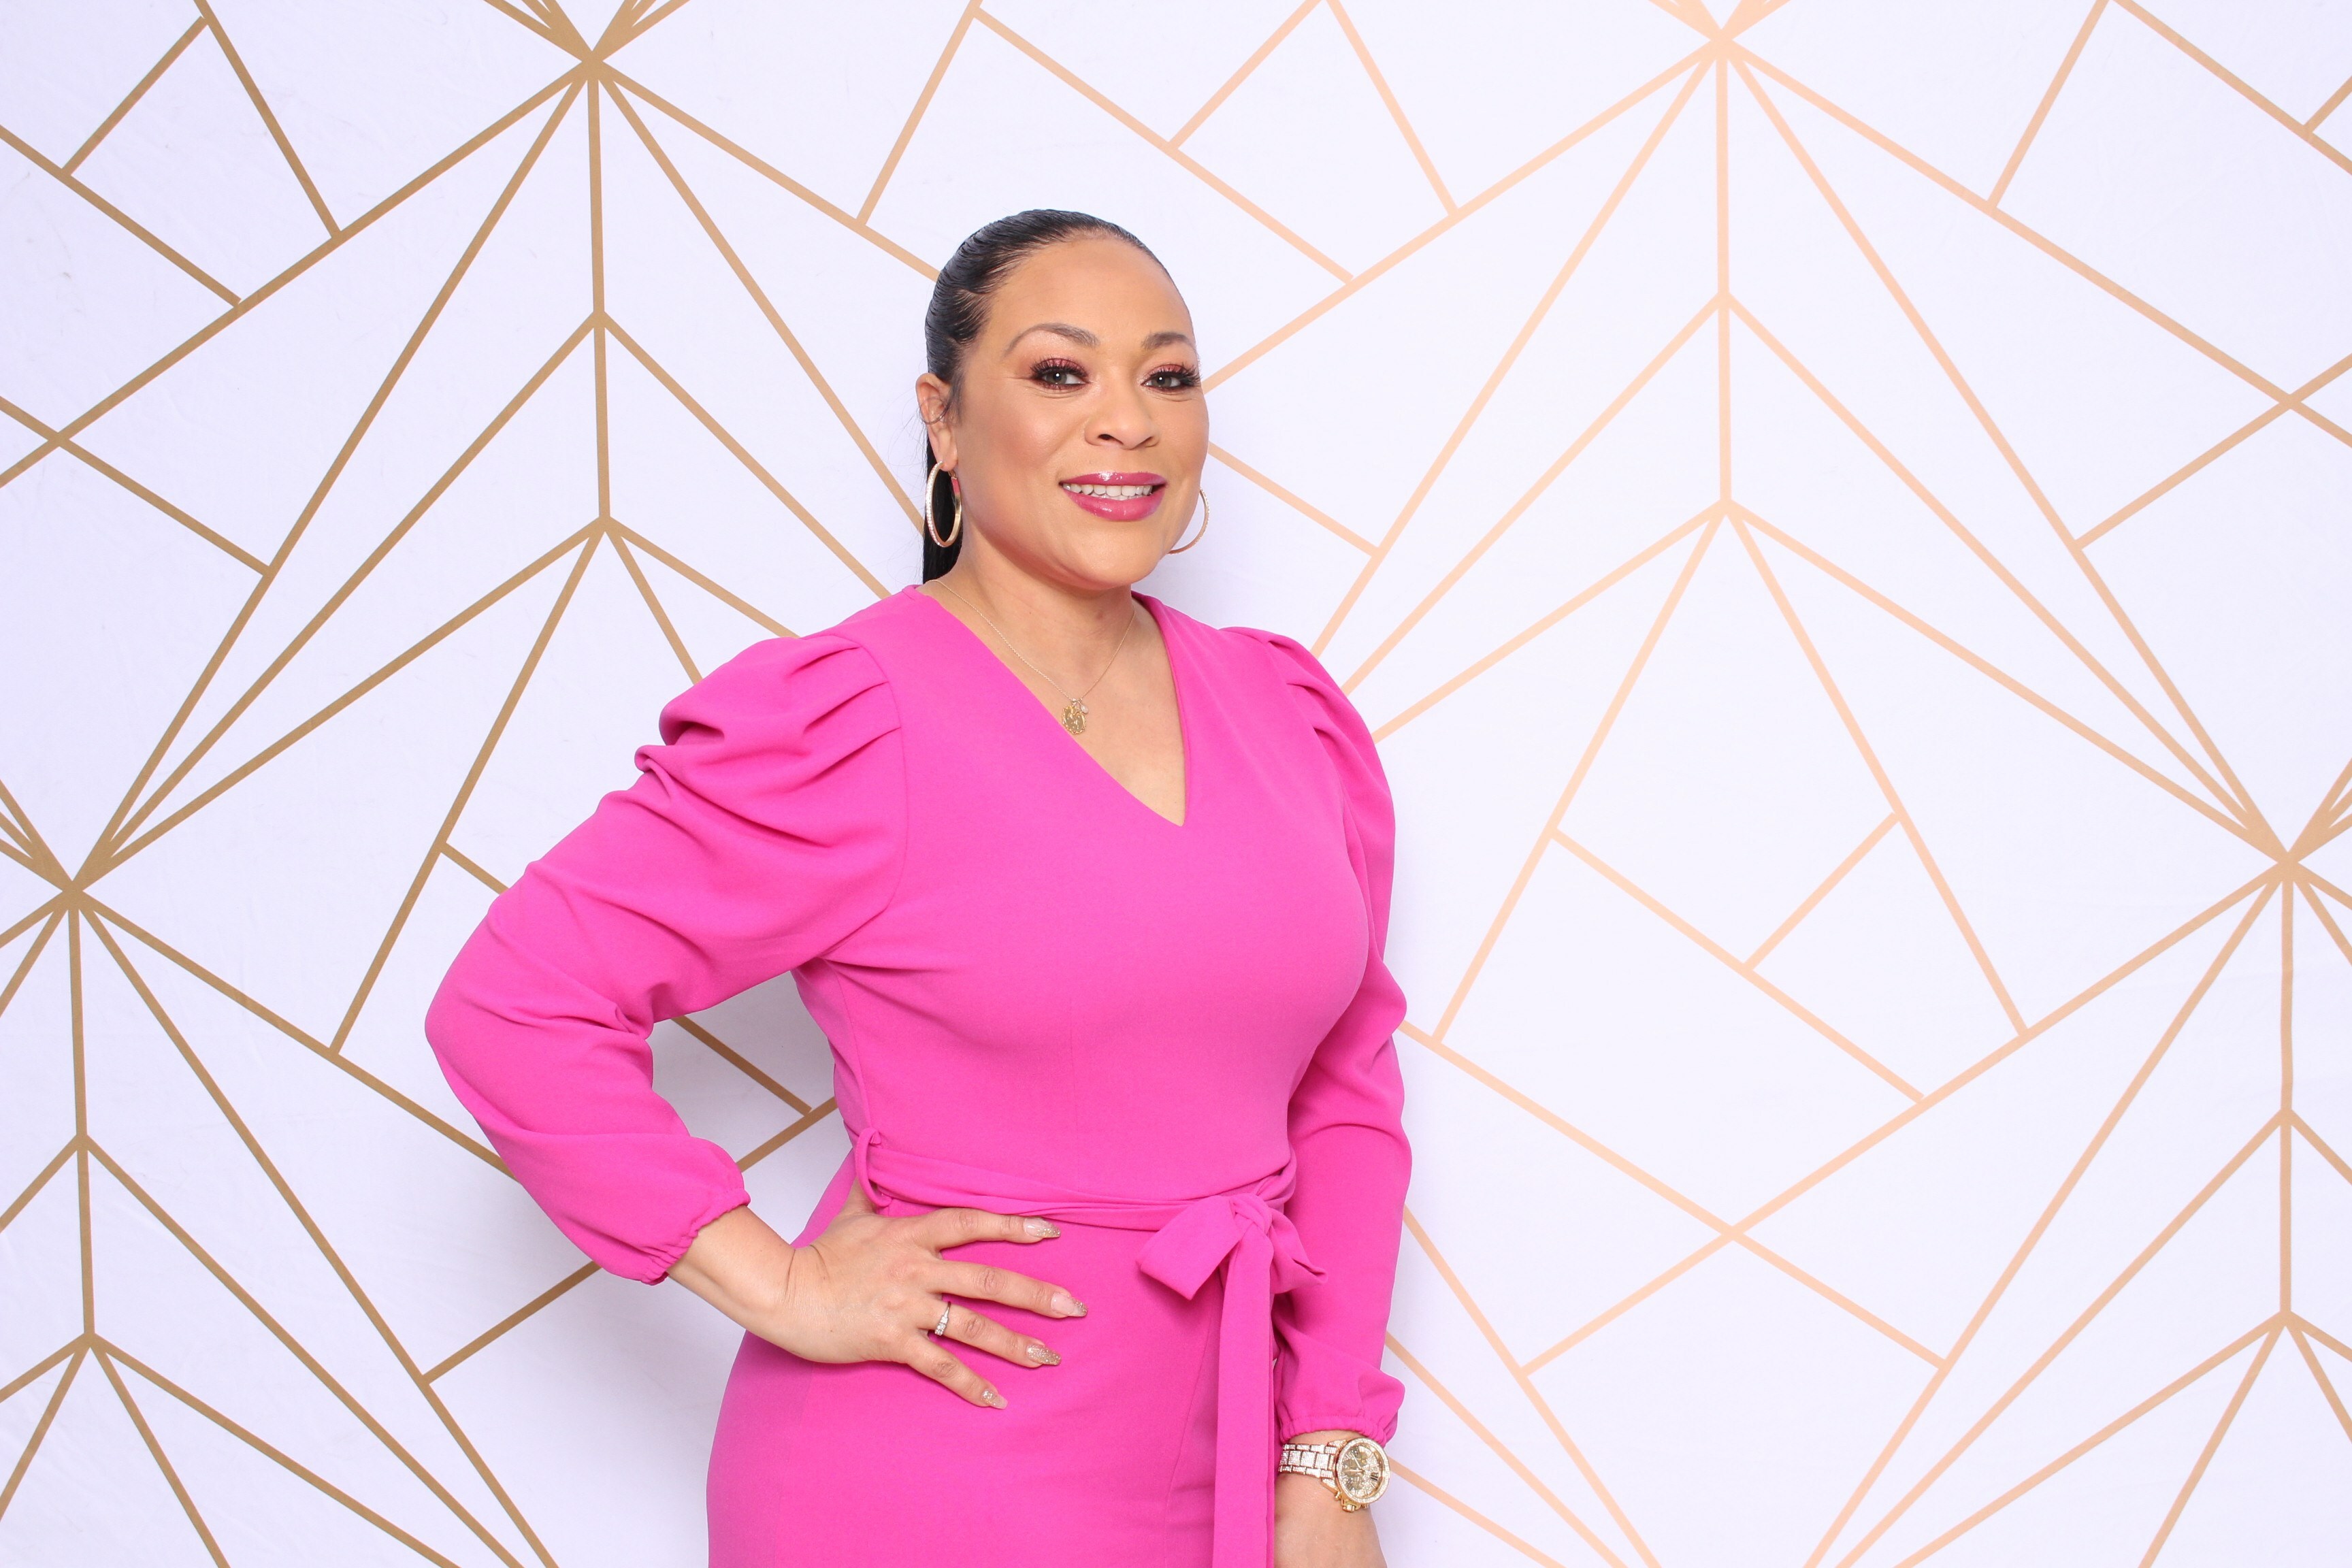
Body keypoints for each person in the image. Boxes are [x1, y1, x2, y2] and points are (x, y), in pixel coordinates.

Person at [425, 209, 1410, 1568]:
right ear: (944, 420)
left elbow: (1345, 1094)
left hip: (1234, 1468)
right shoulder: (849, 722)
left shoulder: (1288, 715)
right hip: (930, 1469)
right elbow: (514, 1004)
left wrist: (1329, 1458)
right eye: (1059, 372)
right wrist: (777, 1283)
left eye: (1167, 376)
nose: (1127, 422)